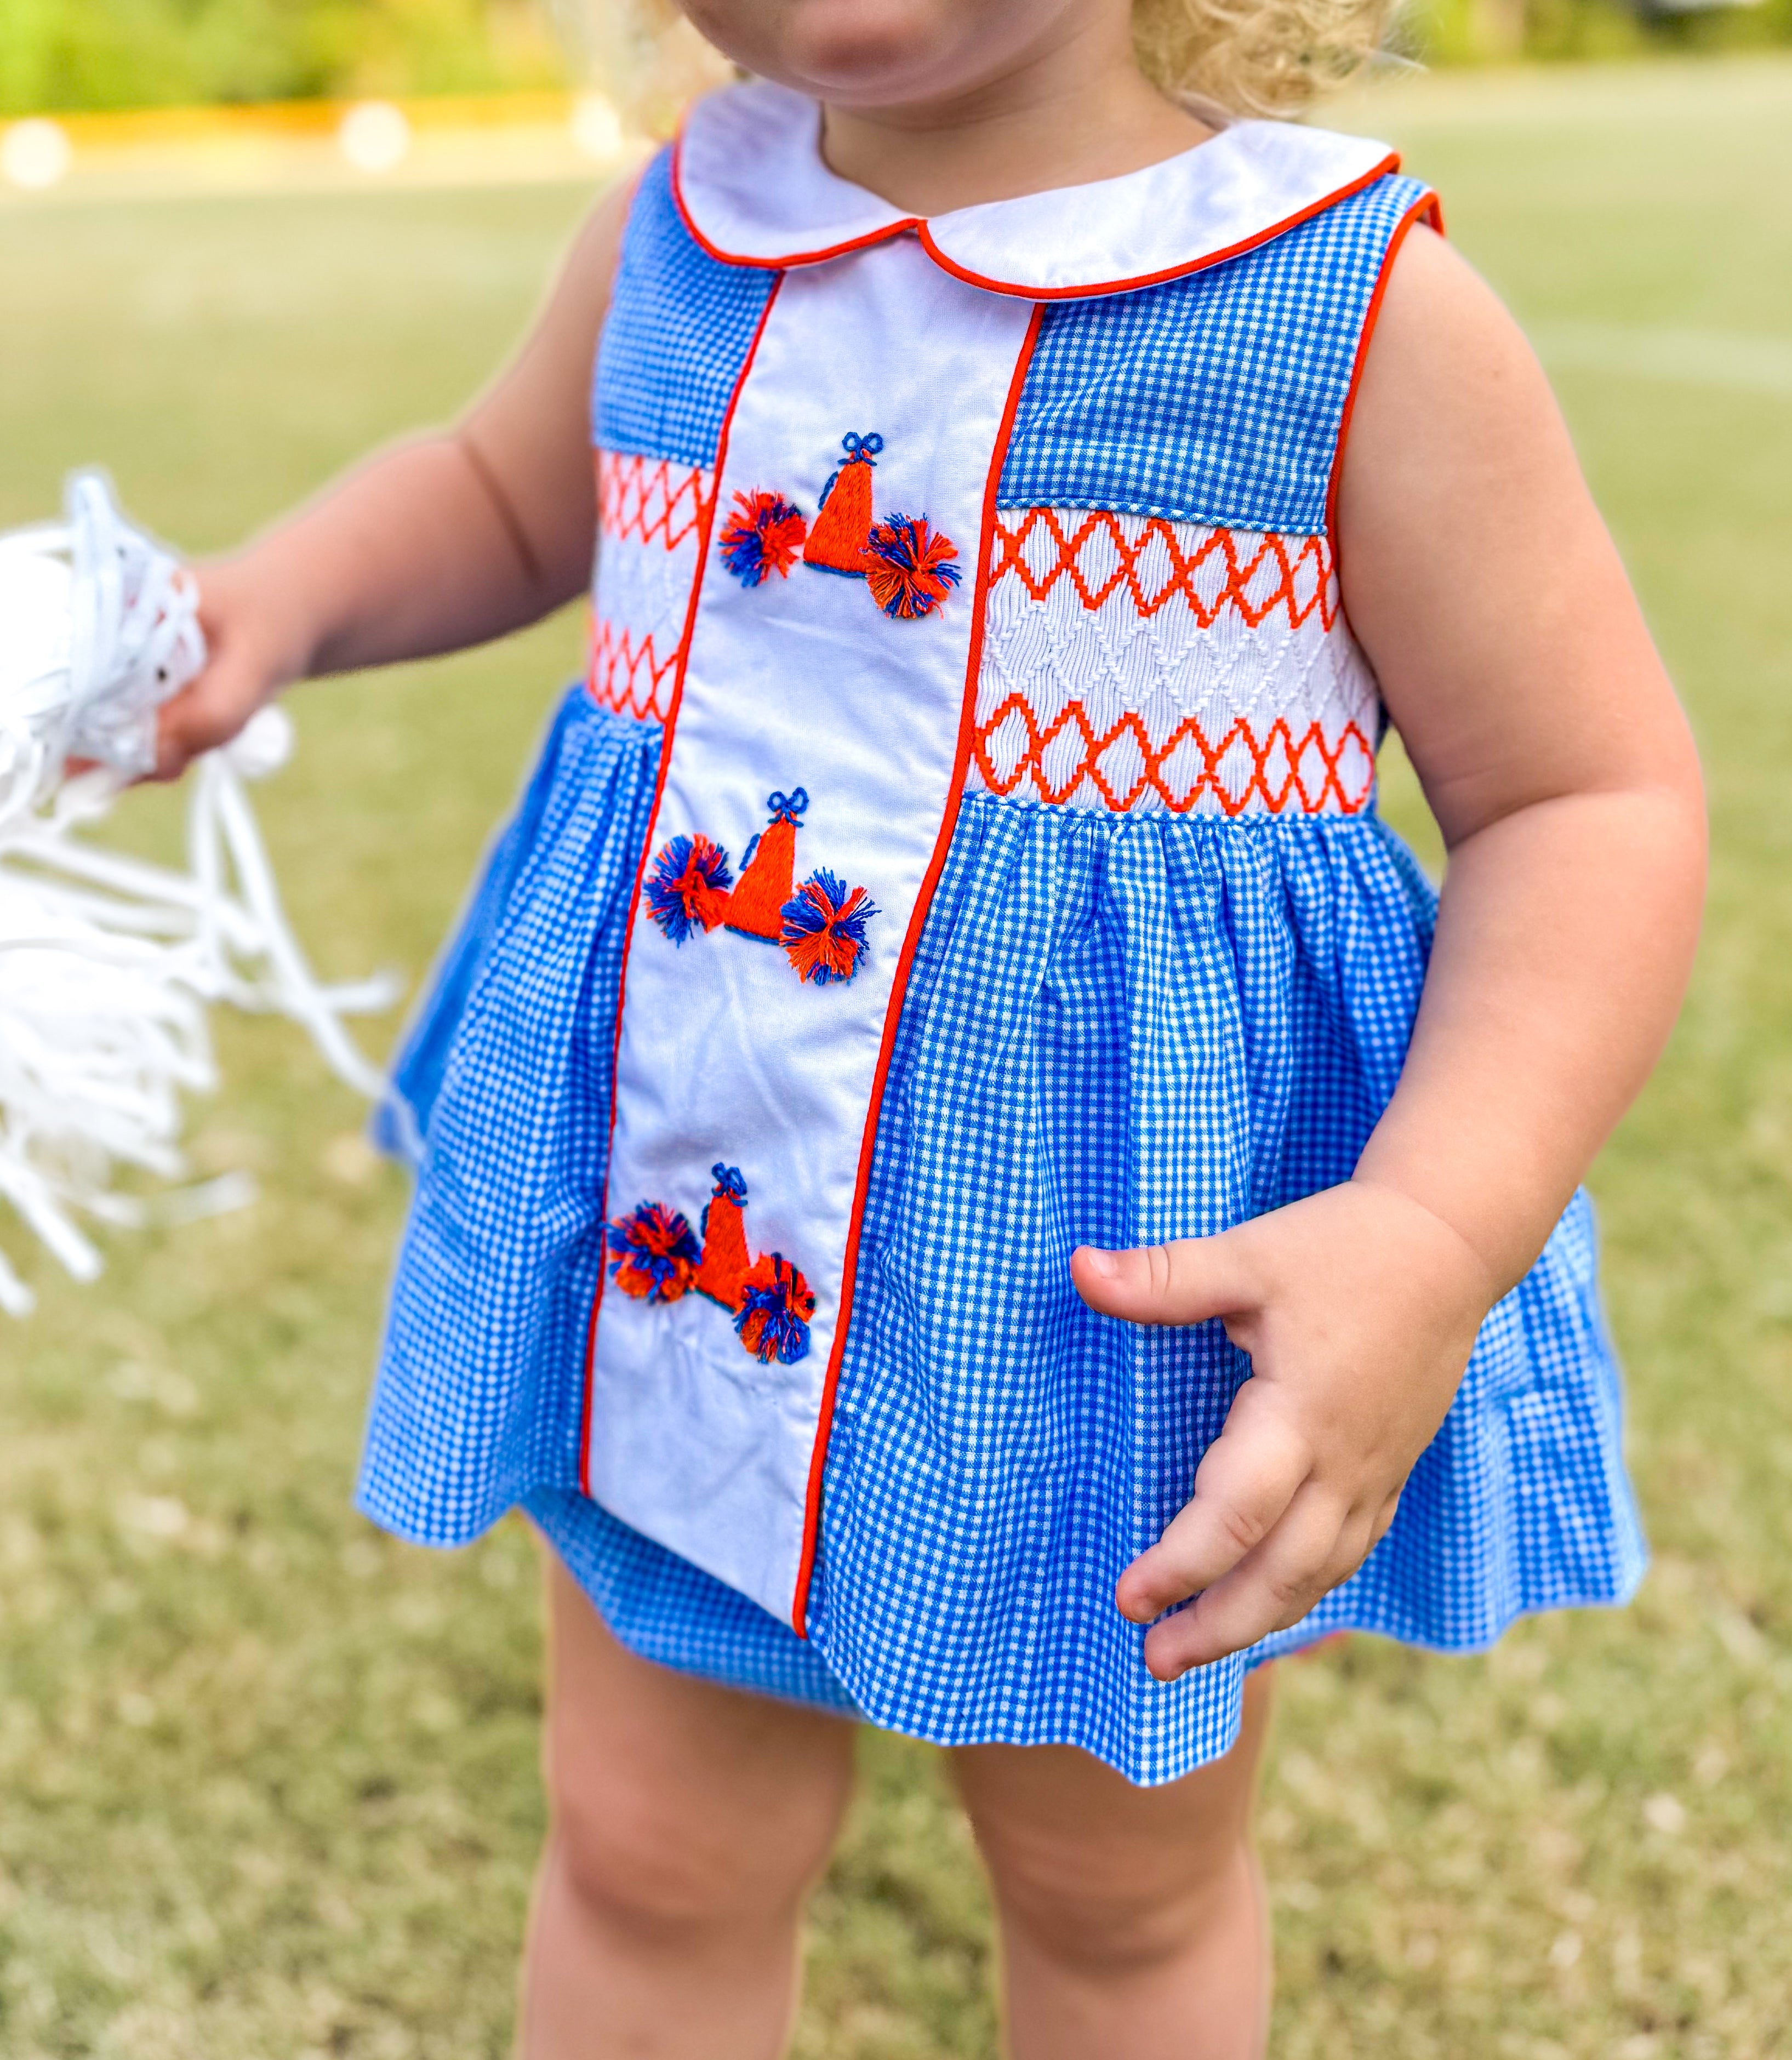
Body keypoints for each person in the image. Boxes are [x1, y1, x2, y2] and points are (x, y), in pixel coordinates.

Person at [152, 0, 1706, 2052]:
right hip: (683, 1241)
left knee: (1115, 1896)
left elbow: (1587, 800)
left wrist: (1429, 1230)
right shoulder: (681, 229)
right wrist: (264, 610)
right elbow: (508, 496)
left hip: (1095, 1307)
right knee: (646, 1850)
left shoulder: (1346, 304)